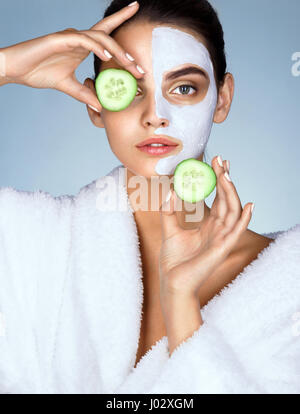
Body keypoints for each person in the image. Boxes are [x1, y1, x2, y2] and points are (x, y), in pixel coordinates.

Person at [0, 0, 299, 394]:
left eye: (184, 87)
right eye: (127, 87)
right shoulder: (33, 245)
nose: (155, 115)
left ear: (222, 99)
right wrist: (7, 65)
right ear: (95, 105)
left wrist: (182, 306)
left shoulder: (289, 284)